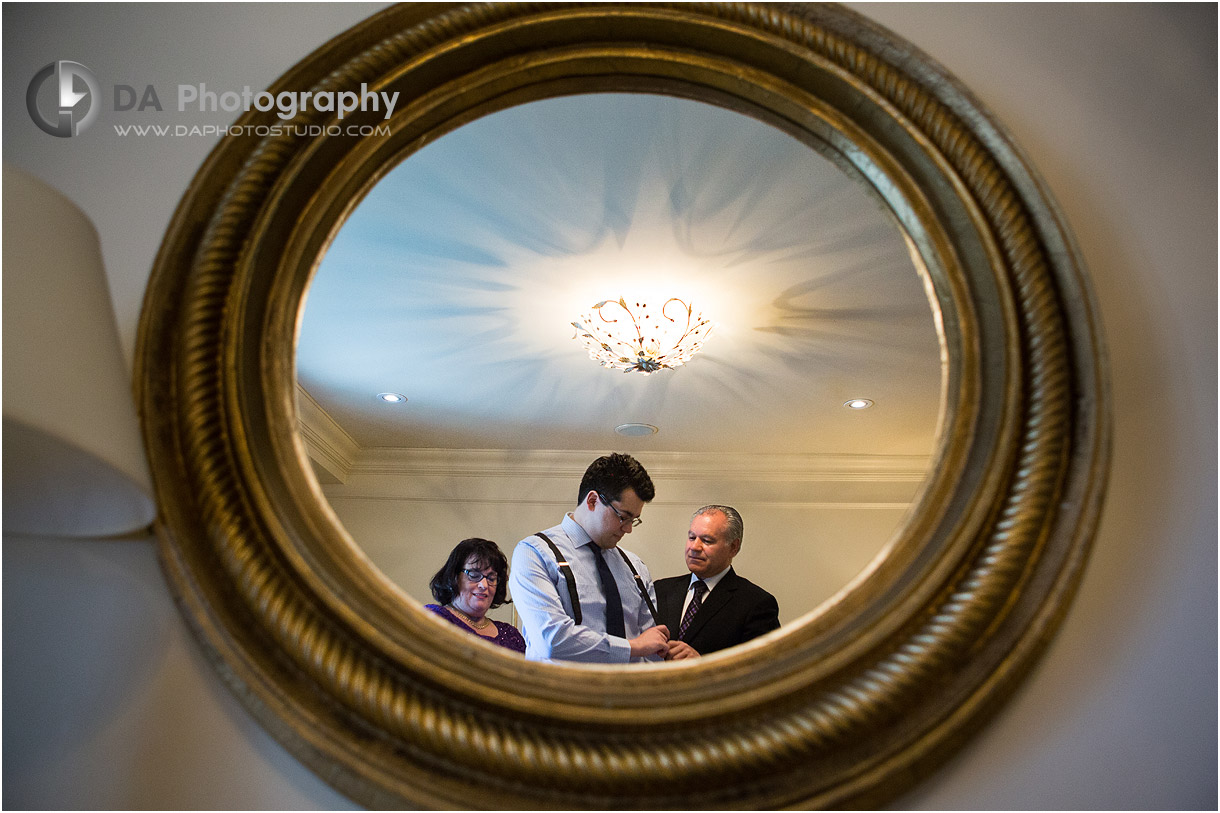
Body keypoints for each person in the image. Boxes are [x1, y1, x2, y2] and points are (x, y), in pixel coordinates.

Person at [509, 453, 670, 663]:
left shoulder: (635, 567)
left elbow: (651, 651)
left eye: (634, 520)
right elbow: (551, 640)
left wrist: (666, 654)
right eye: (623, 517)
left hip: (629, 694)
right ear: (593, 500)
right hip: (560, 694)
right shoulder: (535, 552)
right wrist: (632, 647)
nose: (629, 529)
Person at [654, 505, 780, 657]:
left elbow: (764, 667)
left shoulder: (757, 603)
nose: (694, 547)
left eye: (707, 541)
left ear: (733, 547)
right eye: (692, 537)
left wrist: (702, 664)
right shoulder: (660, 589)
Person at [425, 537, 526, 653]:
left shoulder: (510, 635)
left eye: (491, 578)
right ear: (454, 577)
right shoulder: (434, 618)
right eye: (474, 575)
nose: (484, 585)